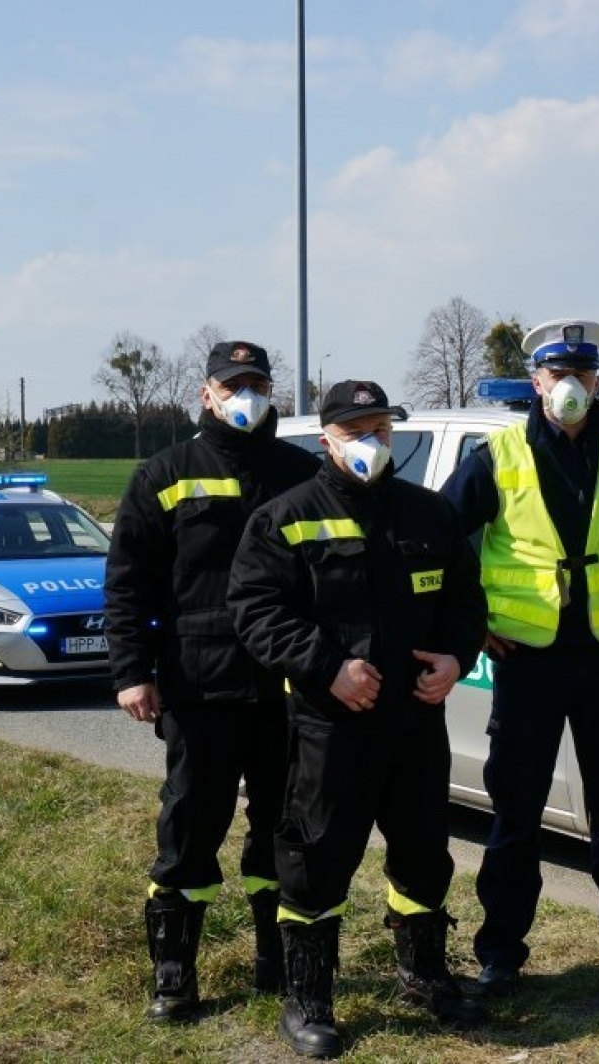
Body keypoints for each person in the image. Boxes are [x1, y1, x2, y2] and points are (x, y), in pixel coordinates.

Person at [230, 380, 489, 1059]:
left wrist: (456, 658)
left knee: (424, 855)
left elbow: (467, 596)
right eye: (357, 432)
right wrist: (326, 666)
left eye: (381, 428)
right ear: (328, 441)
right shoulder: (285, 518)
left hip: (415, 724)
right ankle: (308, 999)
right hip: (328, 727)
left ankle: (424, 975)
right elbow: (255, 610)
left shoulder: (430, 514)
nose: (372, 442)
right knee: (316, 861)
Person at [440, 318, 599, 995]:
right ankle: (500, 953)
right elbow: (443, 534)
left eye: (583, 374)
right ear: (537, 383)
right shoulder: (500, 455)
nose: (571, 386)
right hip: (527, 659)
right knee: (516, 811)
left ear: (597, 381)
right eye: (558, 375)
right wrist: (473, 622)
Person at [104, 340, 320, 1023]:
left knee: (283, 828)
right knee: (192, 824)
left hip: (286, 684)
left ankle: (275, 958)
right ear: (207, 394)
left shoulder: (301, 472)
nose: (246, 394)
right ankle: (175, 973)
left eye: (257, 382)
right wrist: (132, 672)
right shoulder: (164, 474)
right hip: (201, 685)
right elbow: (127, 583)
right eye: (233, 384)